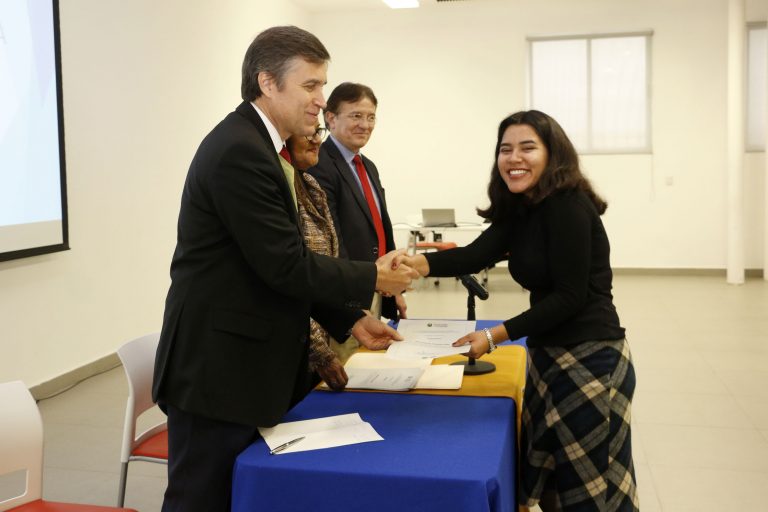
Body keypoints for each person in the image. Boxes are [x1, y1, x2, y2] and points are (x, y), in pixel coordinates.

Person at [152, 26, 417, 512]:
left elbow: (270, 266)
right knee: (201, 499)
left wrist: (347, 319)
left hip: (245, 366)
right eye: (311, 86)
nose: (320, 100)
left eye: (322, 85)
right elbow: (284, 265)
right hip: (218, 371)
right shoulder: (240, 150)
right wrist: (372, 277)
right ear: (268, 82)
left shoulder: (264, 147)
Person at [398, 110, 638, 512]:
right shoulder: (525, 208)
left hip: (590, 358)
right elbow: (475, 254)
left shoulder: (567, 206)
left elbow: (569, 298)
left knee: (590, 491)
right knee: (553, 484)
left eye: (528, 148)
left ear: (552, 154)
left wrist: (494, 336)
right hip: (548, 355)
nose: (514, 158)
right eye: (505, 149)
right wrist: (417, 265)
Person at [307, 83, 407, 343]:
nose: (365, 124)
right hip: (346, 300)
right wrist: (352, 304)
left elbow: (379, 228)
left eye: (371, 116)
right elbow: (331, 240)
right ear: (330, 118)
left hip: (373, 290)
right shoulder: (320, 164)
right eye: (356, 116)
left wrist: (393, 286)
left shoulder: (368, 166)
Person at [286, 123, 349, 390]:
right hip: (295, 345)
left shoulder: (310, 184)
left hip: (314, 341)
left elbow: (328, 262)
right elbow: (292, 277)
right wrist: (320, 351)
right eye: (307, 133)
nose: (316, 140)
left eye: (318, 131)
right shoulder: (281, 189)